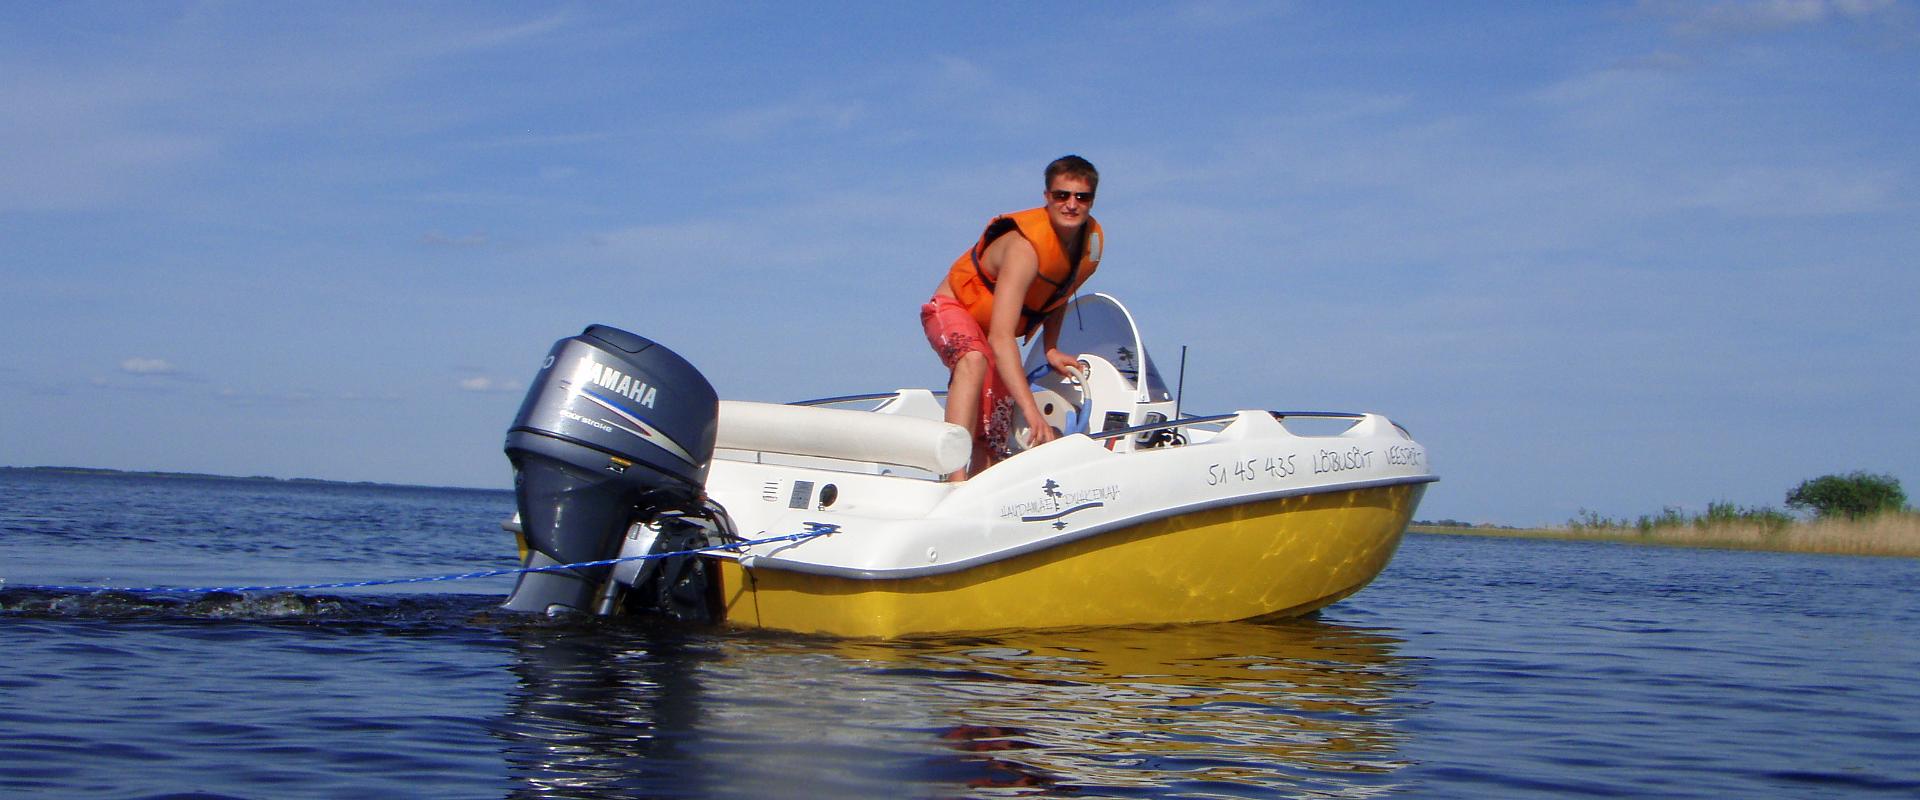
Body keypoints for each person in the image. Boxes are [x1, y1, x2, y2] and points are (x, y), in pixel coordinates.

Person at [921, 155, 1104, 480]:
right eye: (1062, 195)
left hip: (991, 330)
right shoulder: (1025, 249)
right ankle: (953, 479)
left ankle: (980, 493)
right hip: (952, 309)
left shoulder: (1085, 246)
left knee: (994, 434)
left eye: (1081, 197)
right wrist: (1033, 413)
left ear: (1092, 200)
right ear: (1047, 197)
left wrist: (1050, 347)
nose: (1071, 205)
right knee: (974, 359)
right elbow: (1002, 339)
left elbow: (1058, 293)